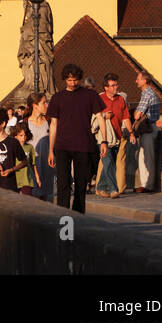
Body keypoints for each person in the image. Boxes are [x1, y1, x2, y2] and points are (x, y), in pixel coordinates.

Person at [47, 63, 106, 213]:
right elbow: (53, 125)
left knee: (81, 183)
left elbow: (100, 117)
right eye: (69, 80)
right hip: (62, 145)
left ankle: (78, 214)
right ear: (65, 80)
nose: (72, 83)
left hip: (83, 144)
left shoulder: (90, 95)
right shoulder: (57, 97)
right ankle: (63, 214)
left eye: (75, 80)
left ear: (79, 79)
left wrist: (104, 140)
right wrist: (50, 150)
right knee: (63, 183)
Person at [96, 73, 129, 198]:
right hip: (102, 137)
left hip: (117, 136)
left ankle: (100, 187)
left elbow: (126, 117)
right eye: (113, 85)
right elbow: (93, 116)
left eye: (116, 85)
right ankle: (114, 189)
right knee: (108, 161)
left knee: (110, 163)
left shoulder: (120, 99)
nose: (116, 87)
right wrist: (105, 116)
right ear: (106, 87)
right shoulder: (99, 99)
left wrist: (130, 133)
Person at [130, 71, 161, 193]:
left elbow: (137, 115)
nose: (136, 81)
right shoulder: (148, 93)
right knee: (142, 157)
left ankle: (149, 184)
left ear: (145, 80)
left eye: (138, 79)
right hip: (147, 129)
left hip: (148, 128)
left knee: (147, 158)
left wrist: (135, 113)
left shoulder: (147, 93)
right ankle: (144, 184)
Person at [26, 92, 53, 201]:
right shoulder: (24, 123)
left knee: (47, 199)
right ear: (35, 106)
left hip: (47, 166)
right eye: (44, 103)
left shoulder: (50, 121)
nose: (47, 105)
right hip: (31, 166)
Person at [11, 123, 36, 196]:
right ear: (15, 136)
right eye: (21, 135)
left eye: (25, 135)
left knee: (28, 201)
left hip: (26, 179)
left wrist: (37, 178)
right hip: (15, 179)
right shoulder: (12, 147)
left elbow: (33, 164)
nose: (23, 138)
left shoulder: (30, 147)